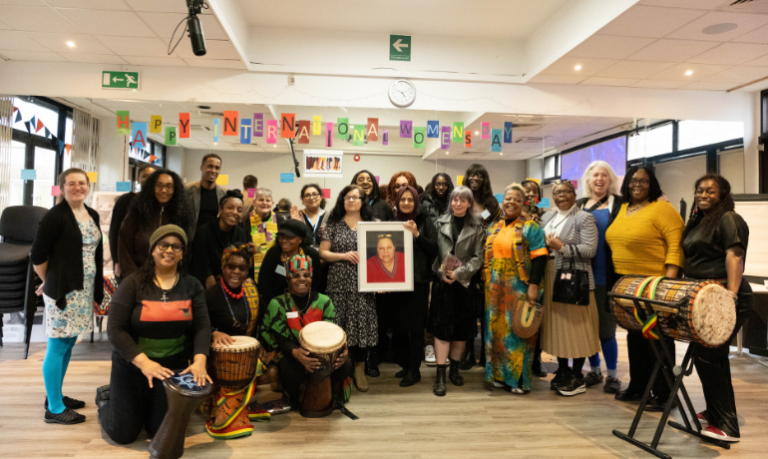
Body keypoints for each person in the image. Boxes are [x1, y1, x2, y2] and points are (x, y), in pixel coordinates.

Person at [96, 225, 211, 444]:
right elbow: (115, 329)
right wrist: (144, 363)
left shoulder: (192, 285)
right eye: (163, 245)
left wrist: (199, 361)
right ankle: (105, 398)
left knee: (158, 430)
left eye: (176, 246)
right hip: (132, 367)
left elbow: (202, 326)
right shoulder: (133, 283)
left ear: (182, 252)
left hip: (171, 369)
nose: (169, 250)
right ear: (153, 249)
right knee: (123, 434)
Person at [605, 166, 684, 411]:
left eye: (644, 181)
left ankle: (664, 394)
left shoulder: (662, 209)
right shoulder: (622, 209)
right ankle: (638, 387)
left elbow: (676, 245)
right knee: (635, 337)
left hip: (655, 284)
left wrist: (667, 283)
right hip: (627, 284)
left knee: (658, 338)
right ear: (626, 183)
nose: (637, 184)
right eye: (633, 180)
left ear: (652, 184)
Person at [31, 168, 104, 425]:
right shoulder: (55, 216)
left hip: (82, 291)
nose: (77, 187)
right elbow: (37, 256)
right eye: (71, 184)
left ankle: (56, 395)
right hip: (64, 291)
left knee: (69, 343)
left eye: (81, 183)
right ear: (62, 188)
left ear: (87, 187)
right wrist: (49, 281)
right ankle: (54, 407)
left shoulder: (91, 213)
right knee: (58, 345)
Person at [682, 174, 750, 443]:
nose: (703, 195)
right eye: (699, 190)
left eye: (711, 191)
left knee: (709, 357)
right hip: (705, 298)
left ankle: (727, 426)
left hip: (726, 297)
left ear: (723, 194)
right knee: (710, 358)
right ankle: (715, 413)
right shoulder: (699, 221)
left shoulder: (728, 218)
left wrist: (729, 297)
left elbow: (735, 256)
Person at [260, 254, 353, 411]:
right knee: (289, 370)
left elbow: (332, 333)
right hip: (292, 351)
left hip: (322, 350)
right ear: (288, 278)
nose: (302, 279)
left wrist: (343, 349)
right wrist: (298, 354)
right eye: (296, 275)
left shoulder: (324, 302)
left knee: (346, 364)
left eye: (306, 275)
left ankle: (331, 395)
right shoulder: (278, 303)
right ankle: (296, 399)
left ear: (311, 277)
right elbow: (281, 340)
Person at [484, 184, 548, 394]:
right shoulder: (494, 227)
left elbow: (540, 259)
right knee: (498, 333)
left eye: (517, 200)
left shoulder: (531, 228)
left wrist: (533, 286)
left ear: (523, 204)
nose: (511, 202)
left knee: (519, 333)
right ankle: (501, 376)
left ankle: (519, 380)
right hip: (496, 290)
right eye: (508, 198)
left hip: (520, 288)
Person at [540, 180, 601, 397]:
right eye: (557, 192)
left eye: (566, 192)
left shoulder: (584, 218)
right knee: (558, 327)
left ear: (575, 195)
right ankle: (563, 370)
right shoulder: (546, 217)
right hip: (550, 277)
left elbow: (590, 250)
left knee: (577, 328)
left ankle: (577, 375)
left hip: (574, 281)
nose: (561, 196)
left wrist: (562, 247)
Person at [319, 185, 378, 392]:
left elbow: (381, 256)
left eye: (356, 197)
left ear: (364, 201)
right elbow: (323, 253)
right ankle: (339, 368)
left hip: (364, 285)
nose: (351, 200)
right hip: (338, 282)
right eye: (347, 197)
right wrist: (343, 256)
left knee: (361, 326)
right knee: (338, 325)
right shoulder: (332, 223)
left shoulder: (373, 224)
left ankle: (359, 369)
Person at [428, 186, 486, 396]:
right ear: (450, 202)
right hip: (443, 286)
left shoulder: (478, 226)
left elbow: (478, 257)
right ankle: (440, 375)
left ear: (469, 203)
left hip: (465, 286)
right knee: (442, 332)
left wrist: (460, 273)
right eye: (455, 200)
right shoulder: (438, 223)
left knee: (461, 332)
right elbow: (433, 254)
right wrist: (439, 273)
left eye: (463, 200)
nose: (458, 204)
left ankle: (454, 370)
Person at [576, 161, 623, 393]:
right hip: (582, 276)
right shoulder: (579, 205)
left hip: (607, 275)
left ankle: (612, 375)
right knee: (587, 327)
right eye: (595, 174)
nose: (600, 179)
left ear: (610, 179)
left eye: (604, 175)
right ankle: (594, 369)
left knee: (606, 329)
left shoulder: (620, 204)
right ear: (588, 179)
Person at [389, 186, 440, 386]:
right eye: (403, 200)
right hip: (395, 282)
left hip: (418, 281)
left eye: (411, 200)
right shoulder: (392, 222)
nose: (407, 203)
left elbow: (434, 248)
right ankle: (405, 365)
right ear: (397, 201)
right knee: (399, 326)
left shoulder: (424, 220)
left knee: (416, 327)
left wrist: (417, 234)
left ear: (416, 201)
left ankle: (414, 370)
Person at [462, 164, 501, 370]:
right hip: (467, 259)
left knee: (487, 309)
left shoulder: (491, 203)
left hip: (488, 261)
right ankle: (468, 351)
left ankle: (487, 353)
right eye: (472, 174)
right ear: (467, 178)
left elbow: (496, 228)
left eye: (479, 175)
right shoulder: (461, 199)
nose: (475, 178)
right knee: (468, 310)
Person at [118, 170, 191, 278]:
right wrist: (133, 279)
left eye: (169, 186)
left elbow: (185, 249)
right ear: (151, 187)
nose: (164, 190)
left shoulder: (182, 215)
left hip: (170, 277)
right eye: (159, 185)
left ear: (175, 189)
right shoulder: (137, 212)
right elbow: (124, 246)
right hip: (138, 275)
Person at [419, 173, 454, 366]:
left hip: (449, 258)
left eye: (444, 184)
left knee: (444, 306)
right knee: (430, 306)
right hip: (430, 257)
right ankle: (428, 344)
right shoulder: (424, 203)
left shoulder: (453, 203)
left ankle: (443, 345)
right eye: (438, 184)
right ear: (433, 185)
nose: (441, 187)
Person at [258, 219, 322, 311]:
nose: (283, 241)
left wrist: (308, 305)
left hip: (305, 305)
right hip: (276, 304)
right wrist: (274, 305)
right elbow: (264, 283)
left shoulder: (311, 255)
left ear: (300, 239)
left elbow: (316, 283)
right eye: (281, 237)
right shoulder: (273, 254)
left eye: (289, 237)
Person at [190, 190, 249, 288]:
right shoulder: (204, 232)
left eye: (239, 210)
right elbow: (202, 267)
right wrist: (217, 293)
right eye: (230, 208)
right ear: (220, 210)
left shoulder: (241, 233)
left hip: (232, 281)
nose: (235, 212)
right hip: (206, 284)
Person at [109, 164, 157, 278]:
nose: (149, 179)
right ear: (138, 179)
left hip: (151, 262)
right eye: (145, 176)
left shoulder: (158, 203)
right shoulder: (125, 200)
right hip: (127, 260)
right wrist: (117, 261)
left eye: (152, 176)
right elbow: (115, 232)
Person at [206, 244, 260, 344]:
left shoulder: (252, 291)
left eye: (242, 268)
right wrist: (213, 334)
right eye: (231, 267)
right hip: (218, 353)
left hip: (246, 352)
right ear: (223, 268)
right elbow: (199, 327)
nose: (236, 271)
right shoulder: (210, 295)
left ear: (247, 271)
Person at [186, 153, 226, 240]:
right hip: (192, 241)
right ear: (201, 167)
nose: (213, 170)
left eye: (217, 168)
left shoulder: (224, 194)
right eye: (210, 166)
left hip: (214, 240)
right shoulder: (187, 190)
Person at [242, 188, 278, 282]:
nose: (264, 203)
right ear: (254, 202)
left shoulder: (279, 220)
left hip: (276, 268)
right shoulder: (245, 221)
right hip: (251, 270)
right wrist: (256, 249)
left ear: (272, 203)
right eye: (261, 200)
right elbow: (242, 246)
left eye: (268, 200)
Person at [298, 183, 327, 248]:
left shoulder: (330, 217)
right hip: (302, 256)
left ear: (321, 197)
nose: (311, 197)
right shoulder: (297, 216)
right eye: (307, 195)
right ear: (302, 200)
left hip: (324, 256)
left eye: (314, 194)